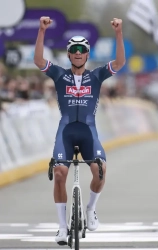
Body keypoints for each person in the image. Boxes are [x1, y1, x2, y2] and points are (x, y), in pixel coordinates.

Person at [34, 16, 125, 245]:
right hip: (65, 132)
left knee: (100, 170)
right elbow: (38, 60)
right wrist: (42, 30)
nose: (77, 52)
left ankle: (91, 209)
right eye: (73, 49)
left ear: (87, 54)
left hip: (88, 133)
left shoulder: (95, 76)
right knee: (59, 174)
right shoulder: (59, 74)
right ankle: (62, 228)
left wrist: (119, 33)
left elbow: (120, 62)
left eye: (81, 49)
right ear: (68, 54)